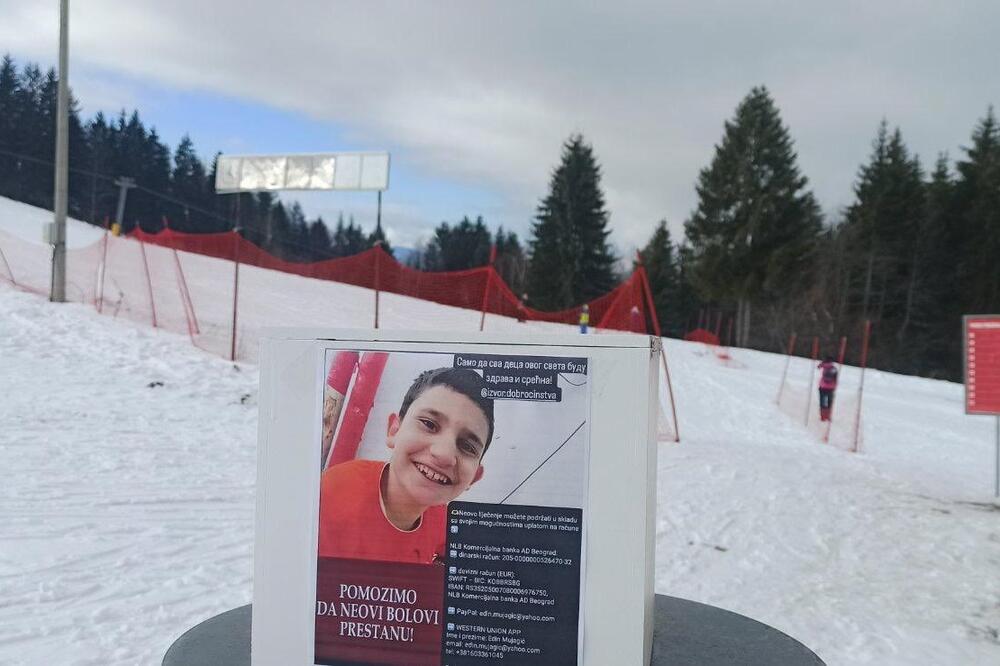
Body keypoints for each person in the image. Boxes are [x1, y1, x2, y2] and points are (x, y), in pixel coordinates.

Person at [317, 367, 494, 564]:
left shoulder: (443, 519)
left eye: (467, 446)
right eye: (429, 424)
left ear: (474, 477)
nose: (444, 454)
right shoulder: (328, 500)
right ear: (394, 430)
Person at [817, 355, 839, 422]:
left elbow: (818, 367)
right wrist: (835, 386)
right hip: (831, 388)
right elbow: (835, 378)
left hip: (822, 387)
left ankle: (822, 416)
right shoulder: (834, 368)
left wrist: (822, 362)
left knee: (822, 402)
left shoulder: (824, 365)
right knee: (830, 402)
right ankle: (828, 416)